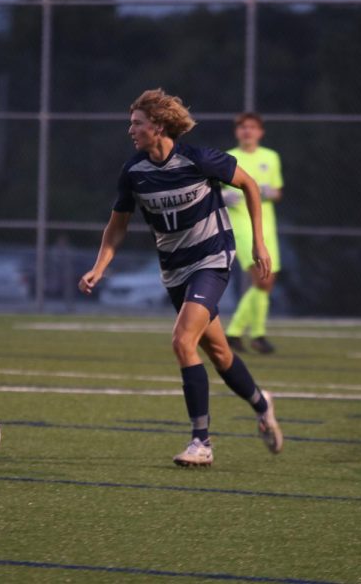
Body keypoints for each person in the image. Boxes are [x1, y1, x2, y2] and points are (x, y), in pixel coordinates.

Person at [79, 89, 283, 467]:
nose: (131, 130)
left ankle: (201, 442)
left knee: (181, 340)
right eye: (131, 123)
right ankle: (261, 403)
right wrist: (100, 266)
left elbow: (251, 185)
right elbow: (116, 227)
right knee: (220, 354)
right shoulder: (134, 172)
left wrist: (259, 243)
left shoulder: (199, 159)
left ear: (157, 127)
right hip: (175, 271)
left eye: (137, 123)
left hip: (212, 259)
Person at [222, 113, 284, 354]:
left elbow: (278, 192)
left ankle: (243, 334)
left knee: (267, 282)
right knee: (262, 278)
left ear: (260, 132)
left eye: (252, 127)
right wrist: (223, 196)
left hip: (267, 226)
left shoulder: (271, 157)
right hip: (241, 226)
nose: (247, 131)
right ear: (237, 132)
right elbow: (210, 192)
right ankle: (248, 333)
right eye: (243, 127)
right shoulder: (228, 158)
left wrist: (269, 192)